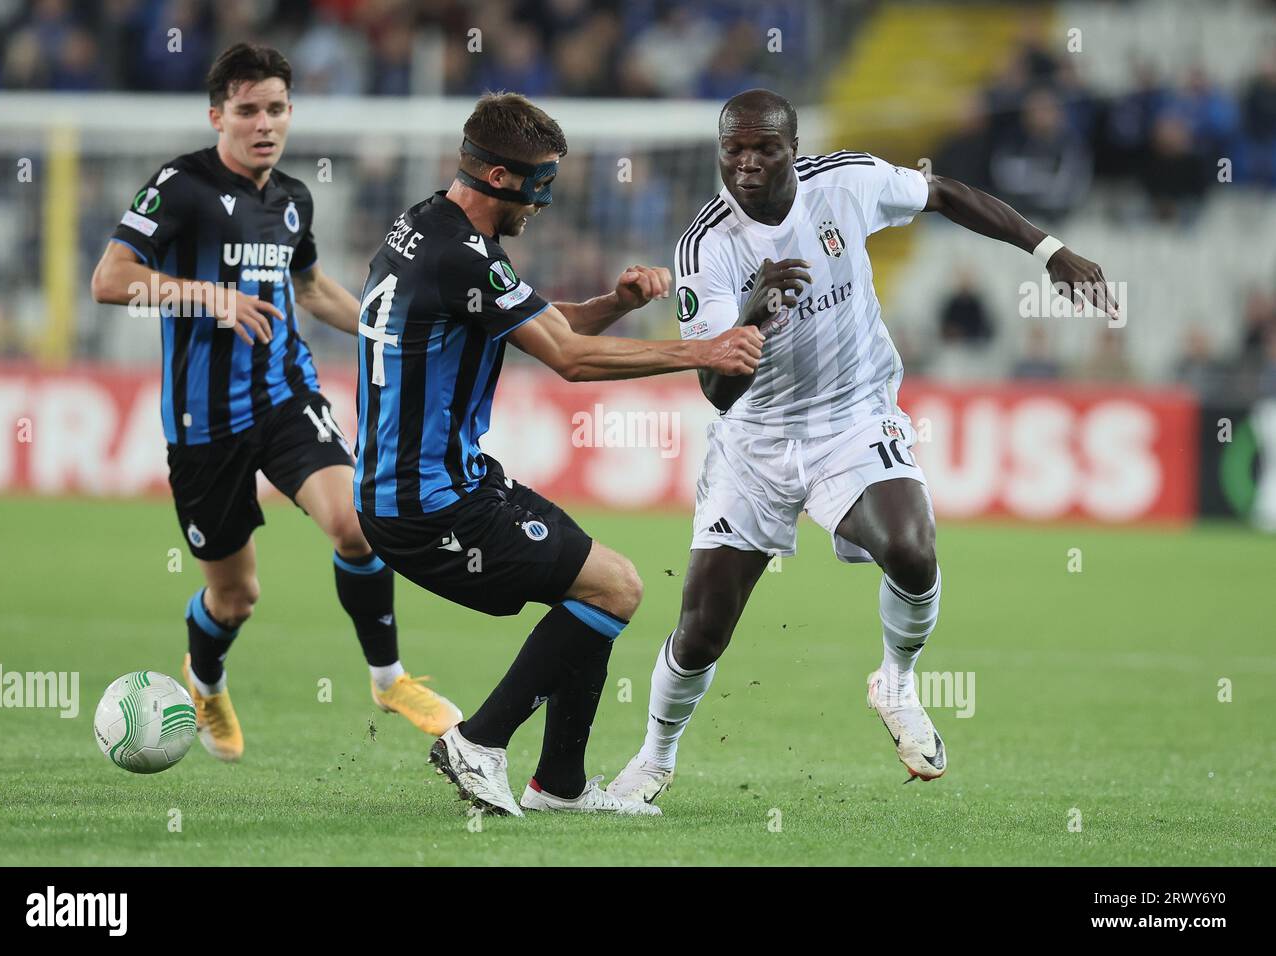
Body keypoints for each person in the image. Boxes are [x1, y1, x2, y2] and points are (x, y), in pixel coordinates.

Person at [608, 88, 1116, 802]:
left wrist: (1048, 248)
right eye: (734, 150)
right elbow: (717, 396)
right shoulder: (704, 249)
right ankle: (654, 760)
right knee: (701, 630)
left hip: (852, 416)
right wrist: (749, 318)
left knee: (911, 549)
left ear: (795, 149)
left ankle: (897, 685)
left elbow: (943, 193)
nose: (747, 164)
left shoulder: (845, 182)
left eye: (765, 149)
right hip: (754, 440)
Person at [353, 92, 763, 817]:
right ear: (502, 178)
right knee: (616, 587)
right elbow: (568, 361)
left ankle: (561, 787)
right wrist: (702, 350)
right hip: (427, 503)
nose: (544, 202)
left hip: (443, 482)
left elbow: (542, 326)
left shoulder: (429, 226)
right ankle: (476, 742)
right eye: (540, 183)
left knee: (596, 583)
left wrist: (616, 302)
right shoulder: (461, 254)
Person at [90, 43, 461, 763]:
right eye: (248, 110)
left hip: (285, 397)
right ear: (217, 115)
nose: (265, 123)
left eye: (277, 109)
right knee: (236, 598)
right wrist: (208, 295)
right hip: (202, 424)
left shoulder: (292, 197)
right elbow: (110, 279)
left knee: (357, 526)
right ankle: (204, 678)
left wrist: (392, 333)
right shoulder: (180, 185)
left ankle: (389, 679)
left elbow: (313, 288)